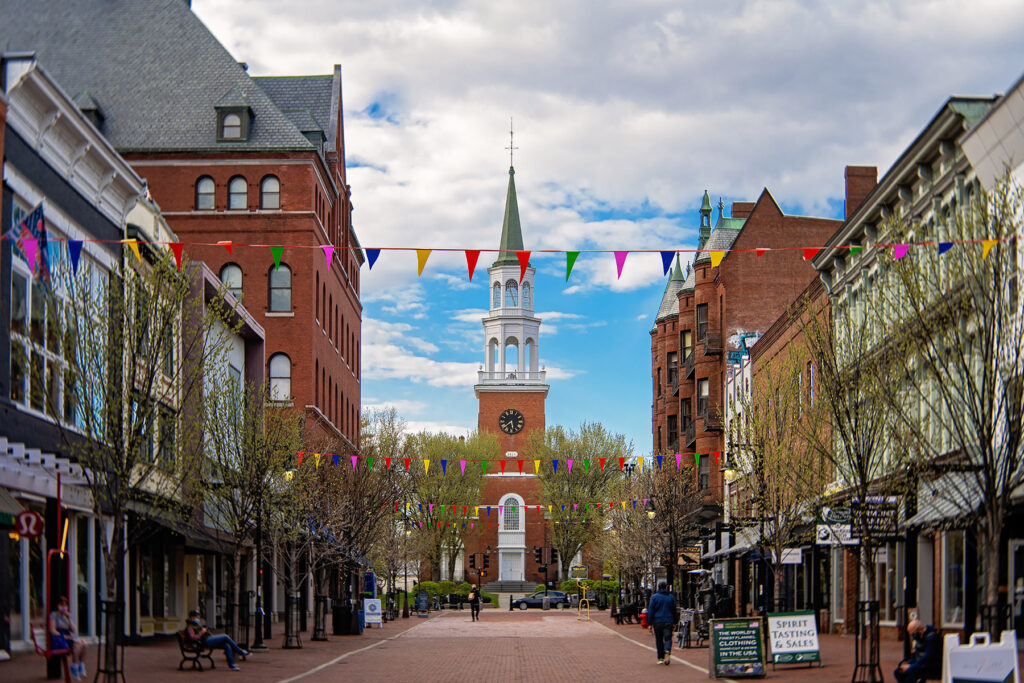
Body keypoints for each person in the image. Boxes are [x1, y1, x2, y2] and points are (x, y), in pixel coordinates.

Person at [185, 609, 249, 671]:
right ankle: (239, 651)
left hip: (207, 638)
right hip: (204, 641)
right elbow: (193, 637)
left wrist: (205, 630)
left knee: (226, 645)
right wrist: (202, 632)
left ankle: (231, 664)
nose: (198, 619)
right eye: (197, 617)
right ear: (192, 617)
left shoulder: (196, 624)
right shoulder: (190, 627)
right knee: (225, 636)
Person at [50, 596, 87, 680]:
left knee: (84, 644)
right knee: (77, 645)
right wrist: (64, 636)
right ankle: (74, 666)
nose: (63, 607)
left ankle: (80, 665)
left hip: (68, 637)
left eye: (65, 605)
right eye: (61, 605)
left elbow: (74, 630)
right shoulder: (54, 615)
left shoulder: (65, 616)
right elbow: (52, 630)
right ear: (57, 606)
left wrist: (69, 618)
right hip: (59, 638)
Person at [645, 581, 677, 666]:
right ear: (666, 587)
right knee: (668, 638)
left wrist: (649, 623)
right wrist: (675, 622)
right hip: (668, 620)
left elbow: (651, 610)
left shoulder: (654, 597)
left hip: (657, 621)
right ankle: (667, 651)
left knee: (659, 639)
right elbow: (674, 610)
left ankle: (660, 658)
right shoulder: (671, 597)